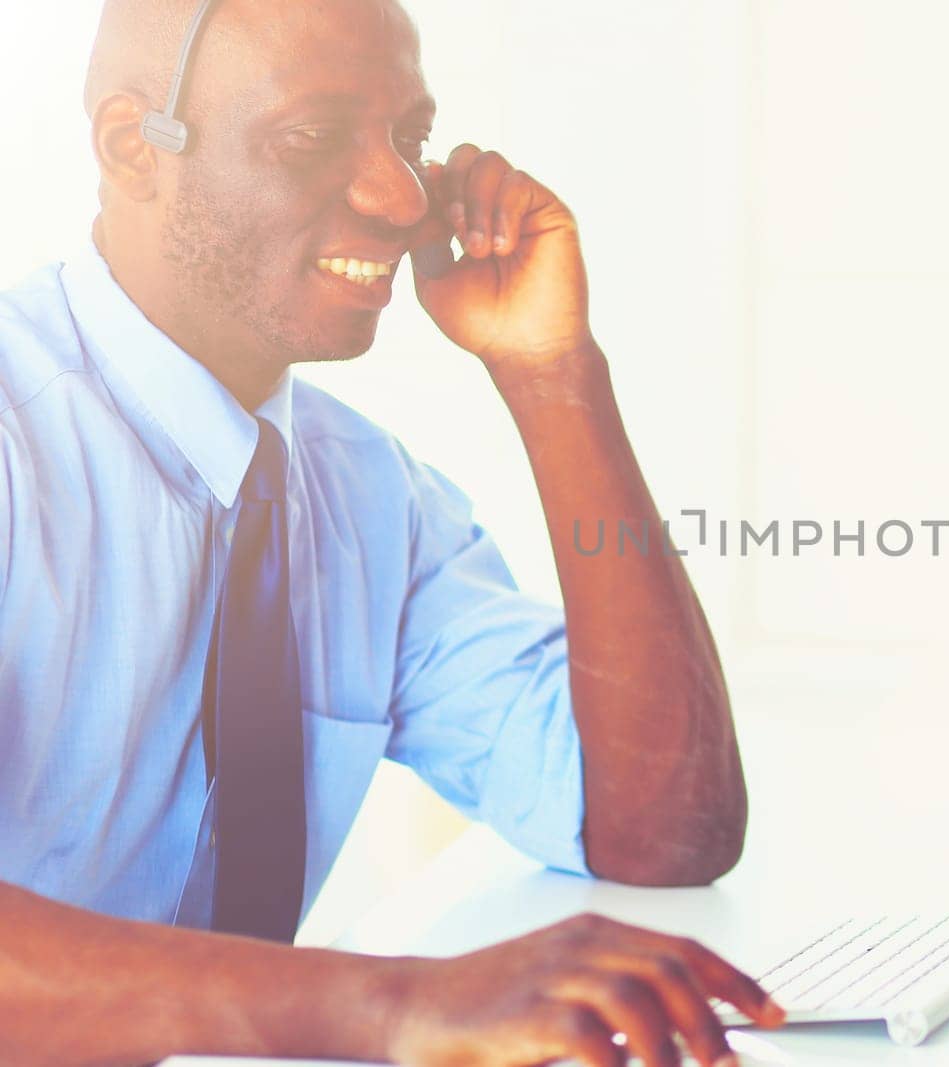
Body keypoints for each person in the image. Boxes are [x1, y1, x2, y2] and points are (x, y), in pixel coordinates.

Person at [0, 0, 783, 1063]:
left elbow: (660, 829)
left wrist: (553, 375)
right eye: (313, 139)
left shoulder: (369, 498)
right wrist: (389, 1002)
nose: (402, 197)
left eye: (411, 141)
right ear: (137, 147)